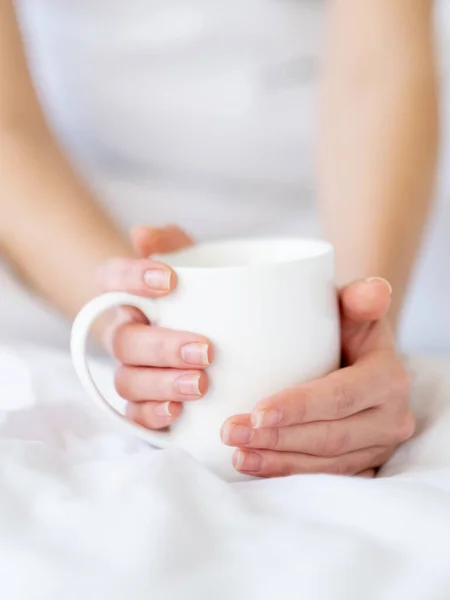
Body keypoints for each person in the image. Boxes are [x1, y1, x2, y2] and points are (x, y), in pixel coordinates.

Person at [0, 0, 443, 477]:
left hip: (349, 208)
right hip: (74, 222)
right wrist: (125, 317)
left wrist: (362, 334)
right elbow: (9, 133)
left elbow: (374, 70)